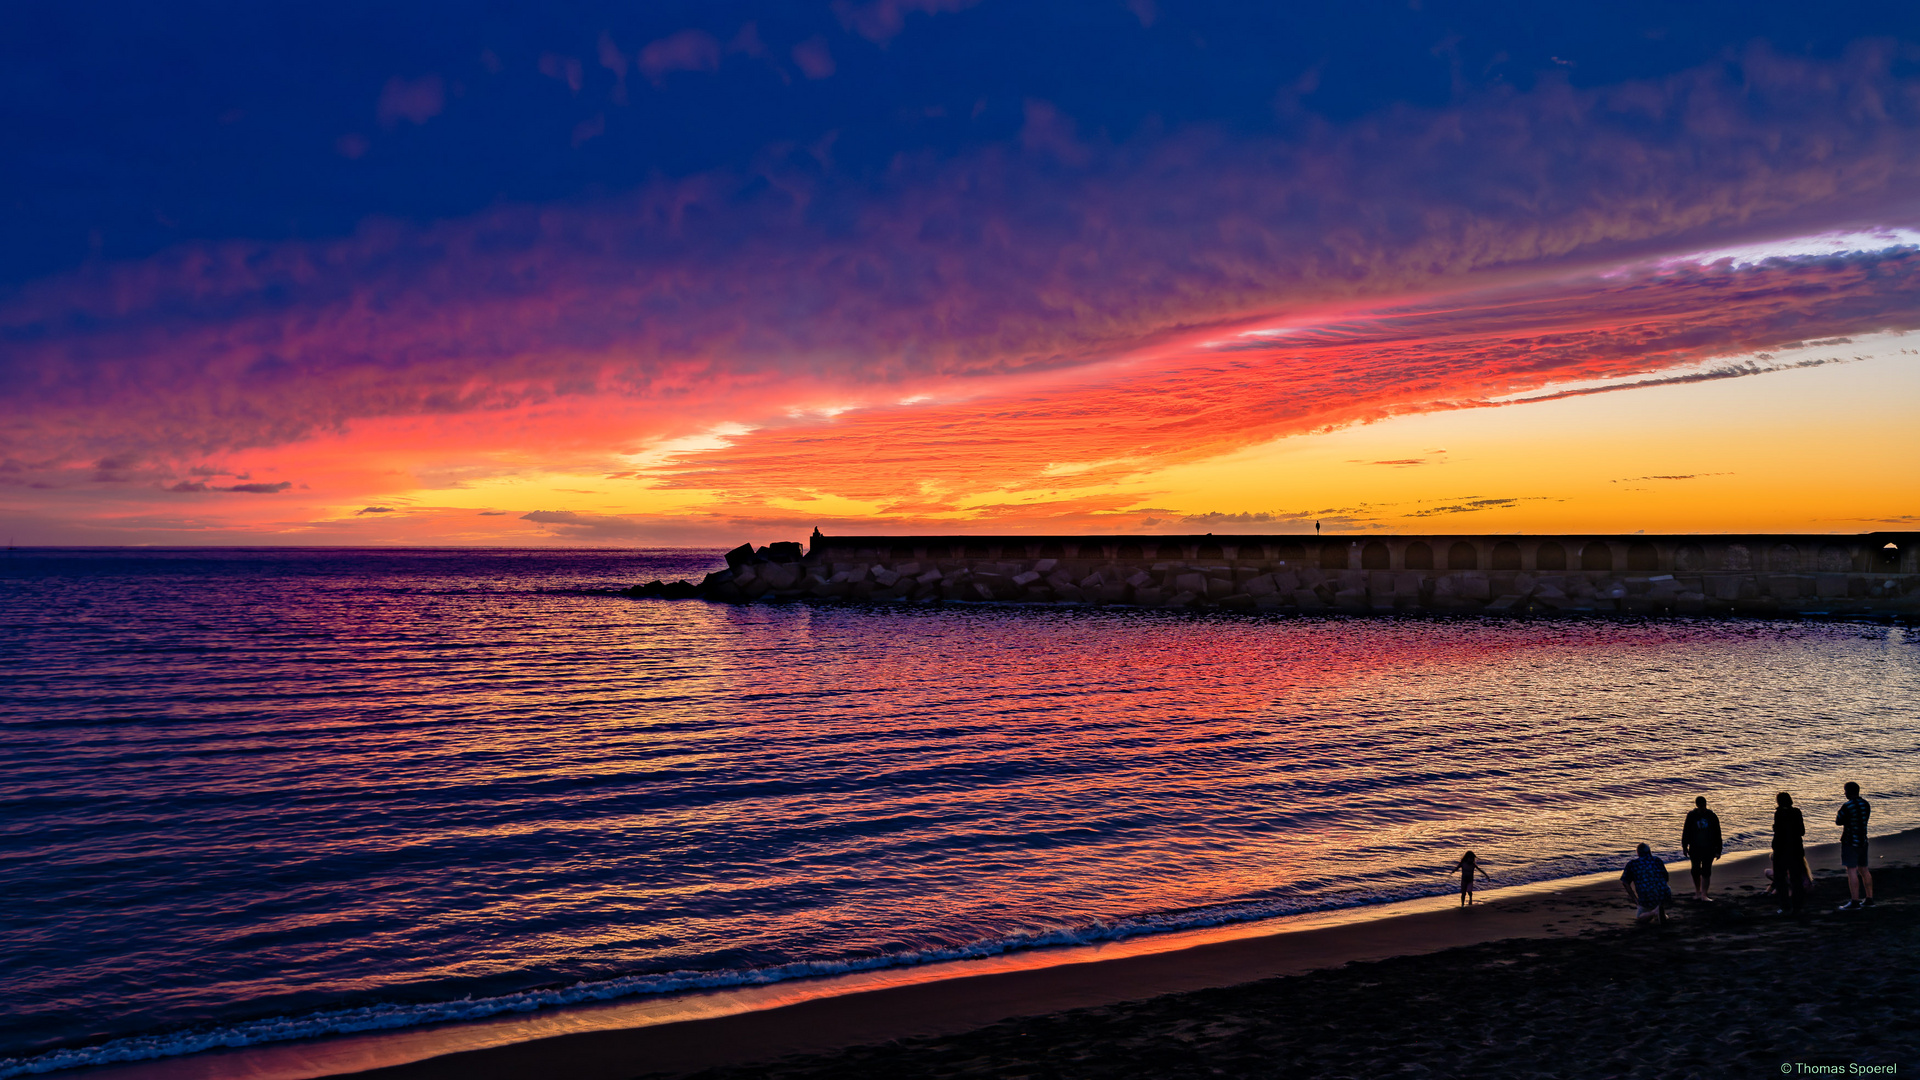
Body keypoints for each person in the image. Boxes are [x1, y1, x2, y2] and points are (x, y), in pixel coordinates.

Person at [1836, 781, 1875, 911]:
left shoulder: (1847, 806)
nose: (1844, 793)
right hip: (1863, 840)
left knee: (1851, 870)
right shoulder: (1866, 804)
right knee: (1864, 869)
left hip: (1850, 841)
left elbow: (1838, 821)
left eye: (1845, 790)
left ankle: (1855, 900)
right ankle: (1869, 898)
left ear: (1849, 792)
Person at [1681, 796, 1723, 901]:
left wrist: (1719, 850)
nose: (1702, 808)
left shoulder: (1712, 816)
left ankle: (1704, 894)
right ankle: (1697, 891)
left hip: (1709, 847)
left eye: (1704, 806)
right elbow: (1686, 831)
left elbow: (1718, 833)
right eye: (1700, 806)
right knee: (1695, 870)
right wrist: (1684, 847)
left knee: (1706, 870)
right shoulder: (1691, 816)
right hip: (1695, 847)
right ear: (1697, 805)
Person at [1772, 791, 1807, 914]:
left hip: (1781, 851)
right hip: (1796, 849)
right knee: (1796, 878)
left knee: (1780, 879)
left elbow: (1778, 832)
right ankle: (1798, 905)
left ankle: (1785, 906)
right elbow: (1802, 831)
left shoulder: (1779, 813)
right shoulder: (1797, 812)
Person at [1621, 842, 1672, 924]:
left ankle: (1654, 912)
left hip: (1646, 897)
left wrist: (1635, 899)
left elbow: (1625, 882)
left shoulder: (1632, 864)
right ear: (1650, 852)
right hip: (1665, 893)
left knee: (1640, 919)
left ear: (1638, 853)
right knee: (1661, 896)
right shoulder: (1657, 860)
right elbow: (1666, 877)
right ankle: (1658, 910)